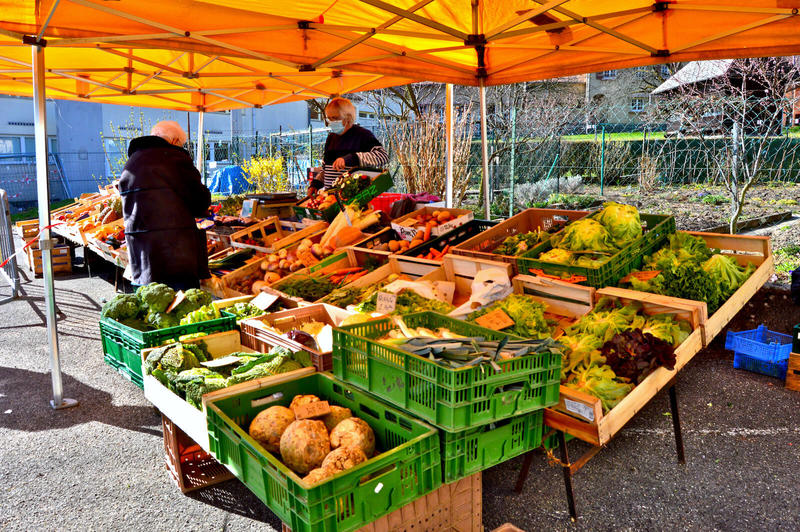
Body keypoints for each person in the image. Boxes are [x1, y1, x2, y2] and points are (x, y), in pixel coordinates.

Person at [119, 120, 211, 290]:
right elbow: (199, 201)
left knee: (150, 309)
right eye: (182, 144)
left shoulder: (131, 162)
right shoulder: (175, 159)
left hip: (141, 254)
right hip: (175, 257)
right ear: (175, 141)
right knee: (182, 310)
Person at [308, 97, 389, 193]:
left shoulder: (363, 135)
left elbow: (383, 156)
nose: (331, 122)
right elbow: (326, 170)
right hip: (331, 198)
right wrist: (316, 184)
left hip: (355, 198)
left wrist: (353, 158)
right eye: (329, 119)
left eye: (335, 118)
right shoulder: (331, 138)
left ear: (348, 118)